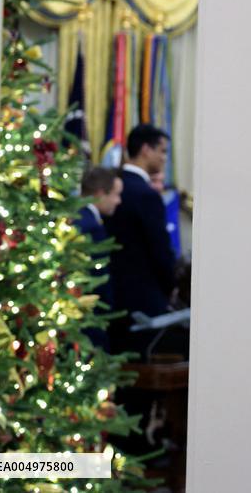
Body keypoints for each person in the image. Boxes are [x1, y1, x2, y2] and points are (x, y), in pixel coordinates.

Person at [105, 124, 178, 355]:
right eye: (162, 151)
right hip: (143, 300)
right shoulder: (146, 195)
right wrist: (171, 285)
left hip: (111, 295)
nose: (164, 158)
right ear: (146, 149)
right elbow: (160, 251)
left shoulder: (112, 187)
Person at [75, 166, 123, 351]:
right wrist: (106, 309)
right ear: (101, 193)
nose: (118, 201)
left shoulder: (76, 216)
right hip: (90, 313)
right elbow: (99, 275)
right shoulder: (91, 227)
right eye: (116, 195)